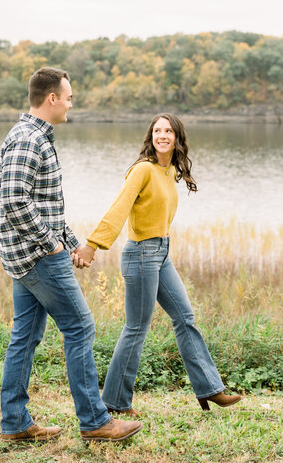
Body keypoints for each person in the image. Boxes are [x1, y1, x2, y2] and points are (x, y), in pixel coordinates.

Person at [0, 67, 142, 443]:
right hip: (40, 258)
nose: (72, 103)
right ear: (52, 99)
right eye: (70, 96)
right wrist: (52, 244)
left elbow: (44, 206)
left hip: (28, 256)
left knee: (24, 337)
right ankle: (95, 421)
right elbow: (14, 200)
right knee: (80, 328)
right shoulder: (29, 139)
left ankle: (14, 423)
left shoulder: (33, 136)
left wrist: (71, 240)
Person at [73, 113, 242, 415]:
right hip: (141, 254)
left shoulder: (169, 170)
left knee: (185, 317)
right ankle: (115, 403)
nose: (162, 135)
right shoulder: (142, 170)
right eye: (157, 130)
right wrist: (92, 244)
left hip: (162, 253)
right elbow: (119, 207)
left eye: (168, 131)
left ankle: (210, 389)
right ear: (150, 136)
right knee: (137, 327)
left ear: (177, 137)